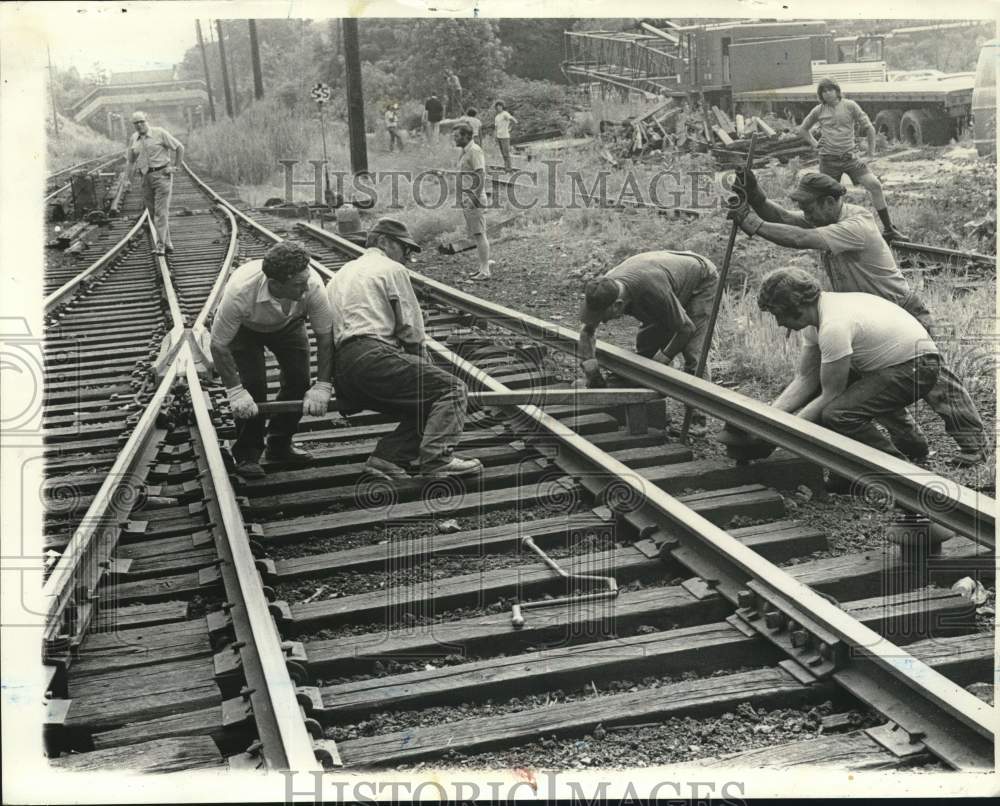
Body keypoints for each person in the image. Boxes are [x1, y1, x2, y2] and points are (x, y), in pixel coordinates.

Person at [731, 170, 986, 465]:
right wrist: (757, 195)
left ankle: (975, 446)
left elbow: (799, 237)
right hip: (864, 316)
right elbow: (786, 220)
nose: (805, 213)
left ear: (829, 202)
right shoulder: (826, 218)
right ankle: (913, 448)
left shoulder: (856, 224)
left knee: (937, 383)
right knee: (874, 389)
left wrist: (751, 222)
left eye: (809, 207)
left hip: (898, 310)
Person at [325, 218, 483, 479]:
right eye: (404, 248)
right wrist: (425, 364)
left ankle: (387, 458)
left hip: (344, 368)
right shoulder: (390, 269)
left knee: (426, 399)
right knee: (450, 389)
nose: (407, 256)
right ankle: (438, 459)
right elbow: (411, 331)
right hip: (373, 355)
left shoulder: (339, 276)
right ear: (384, 242)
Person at [756, 267, 953, 461]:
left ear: (796, 305)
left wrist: (782, 436)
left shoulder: (833, 326)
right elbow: (806, 378)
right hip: (895, 363)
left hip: (918, 367)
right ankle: (913, 447)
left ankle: (893, 468)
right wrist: (767, 420)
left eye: (778, 314)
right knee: (850, 393)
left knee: (839, 413)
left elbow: (830, 394)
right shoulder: (818, 317)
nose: (779, 323)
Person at [210, 241, 335, 479]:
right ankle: (247, 453)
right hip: (245, 329)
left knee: (300, 380)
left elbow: (325, 337)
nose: (306, 287)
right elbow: (218, 344)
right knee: (253, 387)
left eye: (306, 279)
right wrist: (235, 391)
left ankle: (279, 444)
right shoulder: (239, 292)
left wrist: (323, 385)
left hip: (288, 324)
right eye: (298, 284)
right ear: (276, 284)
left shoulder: (313, 287)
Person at [578, 251, 720, 436]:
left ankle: (697, 419)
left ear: (618, 305)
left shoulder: (653, 292)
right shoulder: (603, 289)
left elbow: (686, 328)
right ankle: (645, 399)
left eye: (604, 317)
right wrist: (591, 368)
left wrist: (662, 360)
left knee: (693, 352)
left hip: (700, 280)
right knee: (646, 344)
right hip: (662, 278)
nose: (603, 322)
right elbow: (587, 330)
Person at [798, 78, 905, 241]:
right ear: (821, 95)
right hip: (828, 160)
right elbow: (803, 129)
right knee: (828, 198)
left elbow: (869, 128)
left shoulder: (850, 106)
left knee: (875, 185)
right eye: (823, 91)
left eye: (830, 90)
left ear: (837, 90)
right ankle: (829, 234)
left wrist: (870, 154)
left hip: (850, 158)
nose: (827, 93)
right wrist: (815, 143)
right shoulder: (819, 110)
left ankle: (889, 229)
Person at [126, 110, 184, 255]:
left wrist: (175, 167)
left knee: (160, 212)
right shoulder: (134, 138)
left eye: (141, 122)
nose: (139, 125)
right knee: (152, 213)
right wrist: (128, 179)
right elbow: (131, 161)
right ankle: (167, 242)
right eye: (136, 123)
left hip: (161, 176)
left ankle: (160, 245)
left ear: (147, 120)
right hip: (145, 177)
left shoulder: (159, 133)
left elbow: (179, 147)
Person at [453, 122, 493, 281]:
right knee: (477, 234)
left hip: (474, 199)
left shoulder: (475, 151)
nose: (454, 139)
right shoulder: (465, 151)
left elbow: (481, 175)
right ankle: (482, 268)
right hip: (468, 198)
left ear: (465, 136)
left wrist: (474, 198)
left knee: (480, 234)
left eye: (457, 136)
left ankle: (485, 270)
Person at [493, 101, 518, 170]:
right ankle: (506, 167)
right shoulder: (497, 117)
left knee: (506, 153)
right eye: (497, 106)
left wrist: (510, 128)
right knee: (503, 153)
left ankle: (509, 168)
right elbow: (496, 128)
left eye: (499, 106)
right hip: (499, 136)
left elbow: (514, 121)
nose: (498, 108)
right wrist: (495, 136)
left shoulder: (505, 114)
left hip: (505, 136)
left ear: (502, 106)